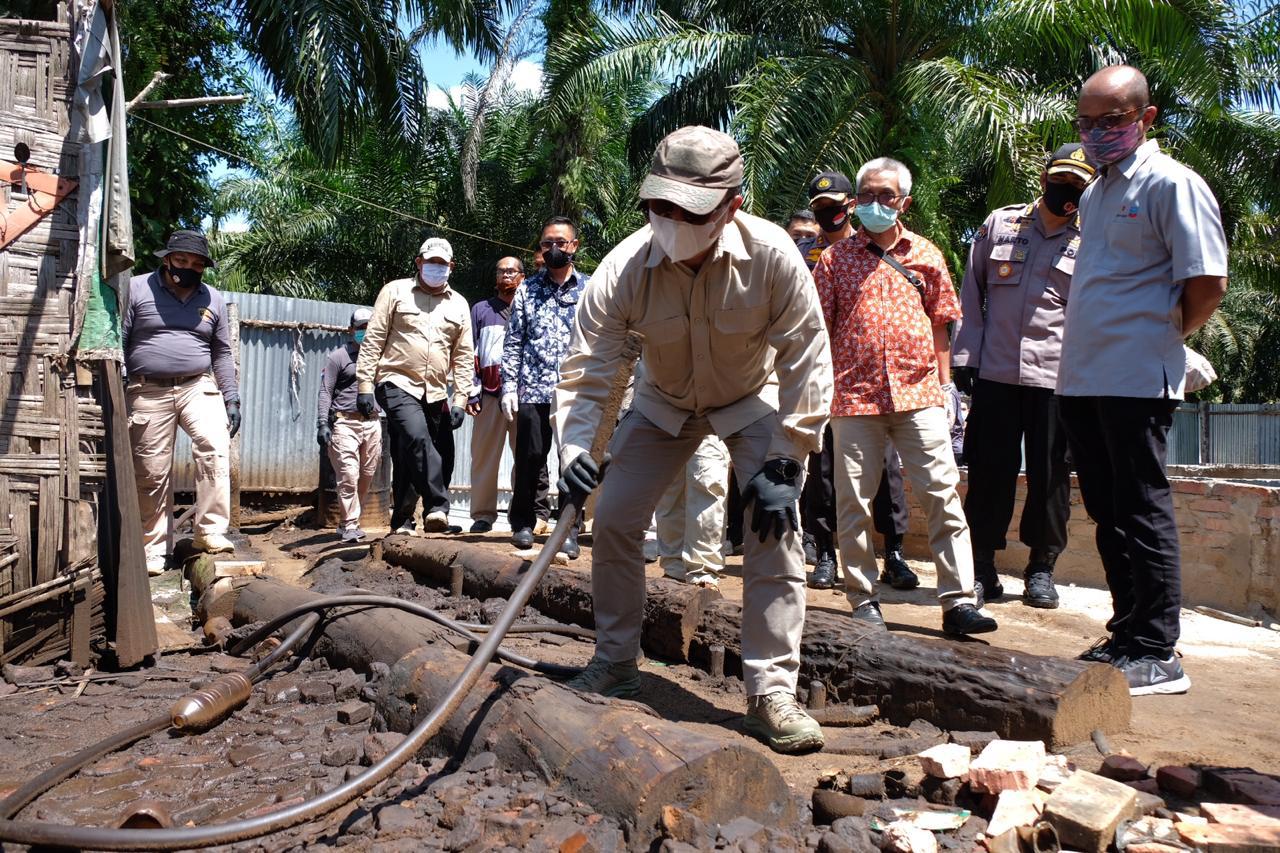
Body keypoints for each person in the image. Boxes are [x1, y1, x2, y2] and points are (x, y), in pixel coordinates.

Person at [555, 126, 833, 754]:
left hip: (749, 402)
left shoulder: (774, 257)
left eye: (691, 209)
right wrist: (574, 450)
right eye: (661, 205)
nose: (673, 219)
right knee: (618, 517)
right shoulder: (624, 268)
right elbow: (590, 368)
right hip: (663, 403)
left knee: (773, 528)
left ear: (733, 204)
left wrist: (788, 459)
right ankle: (617, 662)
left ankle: (770, 694)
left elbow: (807, 358)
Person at [1058, 65, 1227, 695]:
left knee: (1142, 508)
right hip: (1082, 378)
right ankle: (1128, 631)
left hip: (1134, 377)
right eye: (1087, 122)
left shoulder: (1171, 184)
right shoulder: (1097, 192)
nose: (1098, 134)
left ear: (1144, 119)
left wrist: (1161, 337)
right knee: (1107, 511)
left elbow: (1207, 283)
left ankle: (1159, 650)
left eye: (1112, 121)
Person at [813, 157, 995, 637]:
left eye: (886, 196)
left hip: (919, 394)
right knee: (853, 502)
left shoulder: (927, 254)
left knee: (941, 494)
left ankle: (958, 601)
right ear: (855, 201)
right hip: (853, 398)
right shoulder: (834, 260)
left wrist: (946, 384)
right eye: (867, 196)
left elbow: (942, 324)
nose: (875, 204)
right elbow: (819, 330)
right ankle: (862, 597)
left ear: (904, 202)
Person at [952, 143, 1096, 609]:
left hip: (1057, 379)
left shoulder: (1091, 236)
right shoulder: (1001, 223)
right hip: (994, 373)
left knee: (1051, 476)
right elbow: (971, 290)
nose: (1067, 191)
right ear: (1043, 178)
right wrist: (965, 355)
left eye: (1078, 184)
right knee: (989, 474)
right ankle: (982, 569)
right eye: (1062, 180)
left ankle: (1041, 567)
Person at [797, 171, 916, 593]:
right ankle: (826, 553)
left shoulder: (873, 248)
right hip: (821, 378)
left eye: (837, 207)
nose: (830, 215)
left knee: (886, 471)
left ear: (853, 205)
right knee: (824, 470)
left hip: (870, 382)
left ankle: (895, 554)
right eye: (821, 209)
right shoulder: (803, 256)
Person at [122, 230, 241, 574]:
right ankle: (154, 548)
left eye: (196, 264)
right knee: (151, 471)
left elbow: (221, 351)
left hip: (197, 385)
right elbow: (121, 338)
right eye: (182, 261)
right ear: (167, 259)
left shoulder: (212, 299)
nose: (188, 268)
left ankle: (210, 532)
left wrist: (231, 397)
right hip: (148, 389)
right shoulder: (137, 289)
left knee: (214, 447)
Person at [356, 237, 474, 535]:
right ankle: (438, 506)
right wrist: (365, 385)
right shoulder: (395, 291)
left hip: (435, 390)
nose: (436, 268)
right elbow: (373, 339)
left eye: (442, 264)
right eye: (430, 262)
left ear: (451, 267)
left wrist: (460, 399)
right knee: (418, 438)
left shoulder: (459, 304)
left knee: (420, 452)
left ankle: (402, 520)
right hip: (396, 381)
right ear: (419, 263)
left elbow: (462, 354)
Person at [501, 217, 590, 556]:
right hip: (532, 389)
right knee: (530, 457)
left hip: (575, 391)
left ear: (574, 246)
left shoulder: (589, 289)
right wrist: (509, 386)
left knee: (572, 462)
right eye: (547, 243)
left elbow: (599, 340)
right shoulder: (527, 289)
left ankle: (567, 531)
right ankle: (523, 523)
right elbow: (514, 341)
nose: (554, 249)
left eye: (561, 243)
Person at [317, 308, 382, 543]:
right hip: (344, 423)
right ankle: (350, 524)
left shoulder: (379, 357)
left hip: (373, 422)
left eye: (369, 327)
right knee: (349, 475)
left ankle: (348, 521)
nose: (365, 332)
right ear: (351, 329)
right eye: (360, 327)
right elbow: (325, 391)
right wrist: (322, 423)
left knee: (366, 474)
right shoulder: (338, 357)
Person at [655, 435, 731, 587]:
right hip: (667, 420)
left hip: (711, 421)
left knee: (707, 486)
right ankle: (674, 571)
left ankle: (704, 574)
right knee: (669, 491)